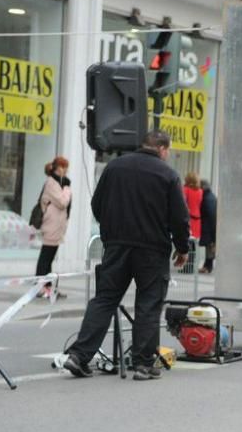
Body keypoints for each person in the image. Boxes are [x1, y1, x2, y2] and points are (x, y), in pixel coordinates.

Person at [62, 130, 189, 381]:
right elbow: (179, 217)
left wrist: (111, 230)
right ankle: (143, 364)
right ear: (162, 149)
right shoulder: (167, 174)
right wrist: (182, 247)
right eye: (168, 151)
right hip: (152, 249)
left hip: (117, 246)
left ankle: (78, 356)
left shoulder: (114, 167)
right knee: (149, 303)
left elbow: (97, 205)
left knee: (104, 300)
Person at [35, 156, 72, 300]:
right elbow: (62, 202)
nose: (67, 171)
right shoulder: (52, 183)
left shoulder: (58, 183)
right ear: (60, 168)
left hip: (56, 225)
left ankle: (48, 288)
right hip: (51, 225)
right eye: (65, 167)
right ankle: (41, 288)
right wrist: (67, 189)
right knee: (45, 258)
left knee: (48, 258)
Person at [198, 179, 217, 273]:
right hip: (211, 226)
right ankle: (207, 266)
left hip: (209, 226)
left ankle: (207, 267)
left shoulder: (207, 198)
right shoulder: (211, 196)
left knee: (209, 247)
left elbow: (210, 214)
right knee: (209, 247)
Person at [183, 172, 203, 245]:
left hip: (188, 220)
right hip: (198, 221)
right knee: (195, 245)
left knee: (186, 244)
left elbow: (182, 206)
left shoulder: (185, 190)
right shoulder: (201, 191)